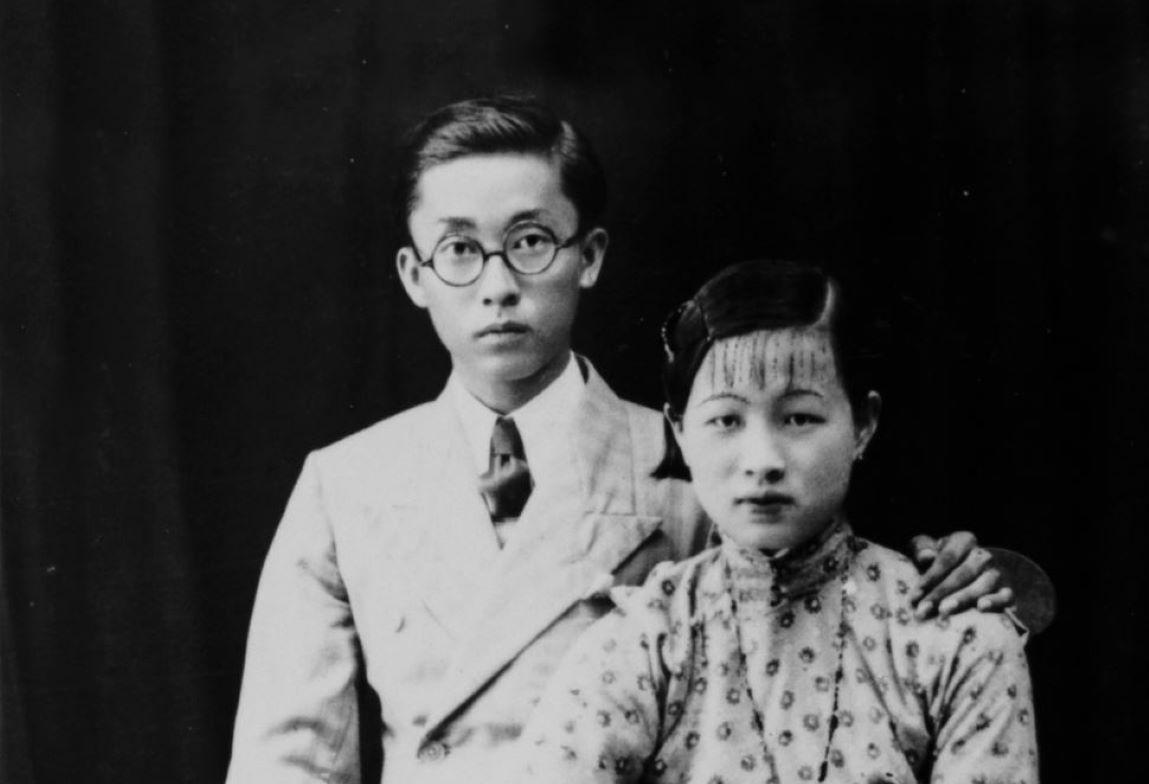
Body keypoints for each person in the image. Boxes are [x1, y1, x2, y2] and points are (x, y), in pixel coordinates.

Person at [225, 97, 1014, 784]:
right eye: (460, 250)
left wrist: (962, 578)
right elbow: (288, 761)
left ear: (590, 256)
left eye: (530, 241)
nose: (497, 286)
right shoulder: (347, 484)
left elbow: (818, 648)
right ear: (413, 274)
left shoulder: (702, 463)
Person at [514, 260, 1039, 783]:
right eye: (726, 420)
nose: (762, 459)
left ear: (862, 424)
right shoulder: (644, 642)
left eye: (799, 418)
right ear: (680, 432)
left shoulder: (958, 639)